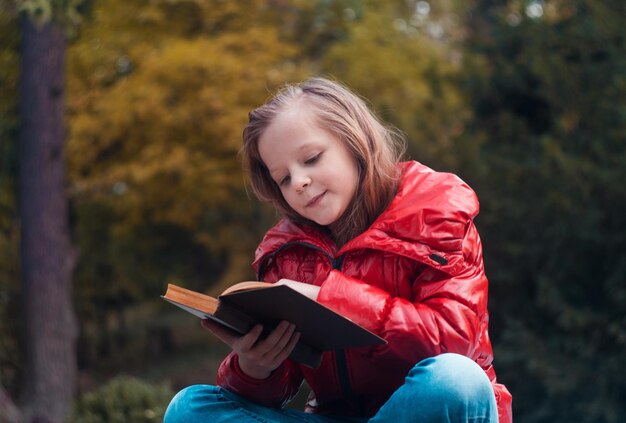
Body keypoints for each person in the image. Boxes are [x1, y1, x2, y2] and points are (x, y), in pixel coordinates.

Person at [164, 77, 513, 422]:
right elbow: (280, 388)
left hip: (434, 406)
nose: (299, 182)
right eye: (283, 178)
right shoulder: (284, 253)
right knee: (191, 409)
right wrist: (255, 368)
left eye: (311, 158)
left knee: (456, 380)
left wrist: (329, 297)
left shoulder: (437, 209)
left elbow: (455, 342)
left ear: (354, 142)